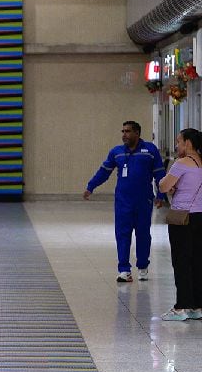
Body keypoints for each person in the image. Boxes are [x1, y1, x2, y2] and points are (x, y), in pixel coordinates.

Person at [84, 120, 166, 282]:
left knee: (143, 234)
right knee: (122, 235)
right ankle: (124, 270)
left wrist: (161, 195)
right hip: (123, 201)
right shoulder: (117, 152)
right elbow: (104, 171)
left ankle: (142, 267)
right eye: (122, 131)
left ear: (137, 133)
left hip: (143, 201)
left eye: (127, 131)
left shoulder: (149, 150)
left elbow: (159, 174)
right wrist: (91, 186)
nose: (124, 135)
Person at [157, 128, 202, 321]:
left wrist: (167, 184)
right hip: (200, 216)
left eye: (179, 142)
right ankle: (197, 306)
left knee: (181, 261)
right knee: (197, 261)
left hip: (183, 218)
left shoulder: (181, 163)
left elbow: (164, 186)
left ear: (188, 144)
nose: (177, 146)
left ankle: (182, 306)